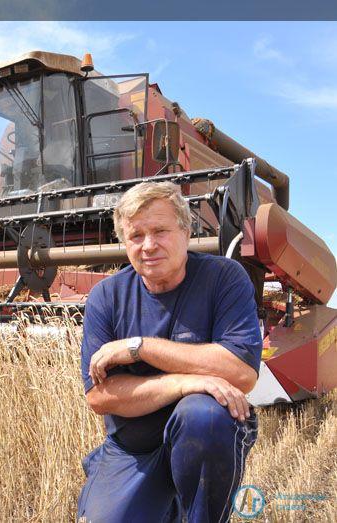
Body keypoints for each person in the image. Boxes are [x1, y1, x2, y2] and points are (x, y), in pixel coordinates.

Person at [76, 181, 262, 523]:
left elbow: (241, 372)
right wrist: (184, 382)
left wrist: (140, 348)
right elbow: (100, 397)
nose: (148, 245)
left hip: (205, 432)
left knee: (202, 415)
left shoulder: (223, 278)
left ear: (186, 231)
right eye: (136, 236)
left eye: (160, 231)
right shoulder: (107, 296)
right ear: (124, 242)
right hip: (133, 447)